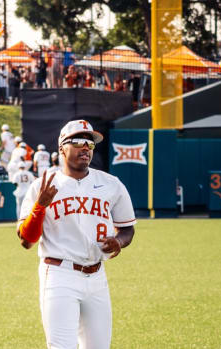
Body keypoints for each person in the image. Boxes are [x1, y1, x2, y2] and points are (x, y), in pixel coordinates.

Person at [16, 119, 136, 349]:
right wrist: (40, 206)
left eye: (90, 144)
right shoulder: (42, 185)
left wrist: (119, 241)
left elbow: (128, 228)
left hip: (97, 276)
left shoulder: (111, 184)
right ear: (62, 147)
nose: (86, 148)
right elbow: (26, 241)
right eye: (79, 141)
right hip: (60, 274)